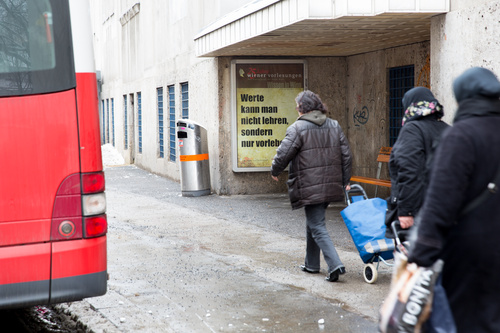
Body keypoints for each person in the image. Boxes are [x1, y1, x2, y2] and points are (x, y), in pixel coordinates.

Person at [407, 67, 500, 332]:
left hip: (470, 254)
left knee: (466, 320)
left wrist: (421, 254)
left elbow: (440, 203)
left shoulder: (461, 136)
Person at [270, 90, 352, 282]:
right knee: (313, 222)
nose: (296, 109)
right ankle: (312, 264)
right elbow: (346, 155)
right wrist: (345, 181)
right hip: (330, 184)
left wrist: (275, 170)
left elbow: (284, 153)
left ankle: (335, 264)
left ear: (302, 108)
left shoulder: (297, 128)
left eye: (297, 106)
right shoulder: (334, 125)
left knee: (317, 224)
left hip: (310, 185)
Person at [386, 87, 449, 240]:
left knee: (414, 259)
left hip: (419, 211)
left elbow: (410, 172)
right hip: (446, 208)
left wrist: (406, 211)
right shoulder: (447, 129)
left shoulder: (412, 130)